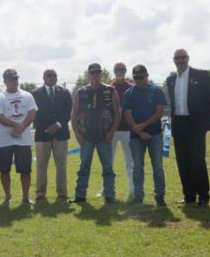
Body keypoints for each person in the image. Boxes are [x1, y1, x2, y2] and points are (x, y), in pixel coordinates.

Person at [165, 49, 210, 207]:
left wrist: (201, 118)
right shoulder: (171, 79)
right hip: (178, 124)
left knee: (197, 161)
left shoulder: (201, 75)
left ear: (188, 58)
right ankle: (189, 195)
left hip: (195, 125)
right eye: (177, 58)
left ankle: (203, 196)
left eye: (183, 57)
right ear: (174, 60)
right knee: (183, 162)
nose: (180, 60)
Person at [70, 63, 119, 204]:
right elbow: (74, 115)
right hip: (86, 137)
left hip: (105, 136)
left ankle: (110, 195)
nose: (96, 75)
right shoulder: (81, 92)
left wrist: (111, 132)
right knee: (84, 167)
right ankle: (80, 196)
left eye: (98, 73)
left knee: (108, 168)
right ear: (89, 75)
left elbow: (117, 113)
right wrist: (78, 134)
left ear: (101, 74)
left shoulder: (110, 91)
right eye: (93, 73)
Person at [122, 65, 167, 207]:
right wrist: (140, 132)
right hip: (136, 137)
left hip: (155, 135)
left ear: (147, 75)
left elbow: (159, 112)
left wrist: (142, 125)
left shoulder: (156, 90)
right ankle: (138, 196)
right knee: (137, 168)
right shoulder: (128, 93)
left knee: (158, 167)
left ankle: (159, 196)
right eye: (135, 77)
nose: (139, 80)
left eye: (141, 77)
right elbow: (127, 115)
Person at [0, 69, 37, 206]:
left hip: (23, 140)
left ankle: (25, 197)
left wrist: (21, 127)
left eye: (16, 79)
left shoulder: (27, 95)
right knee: (4, 170)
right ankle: (8, 197)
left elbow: (32, 114)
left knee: (25, 170)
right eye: (11, 79)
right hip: (5, 140)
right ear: (5, 81)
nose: (14, 82)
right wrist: (15, 126)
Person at [31, 69, 72, 200]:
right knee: (41, 165)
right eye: (49, 76)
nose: (52, 78)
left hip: (61, 134)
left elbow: (68, 112)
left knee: (61, 165)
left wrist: (58, 125)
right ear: (43, 77)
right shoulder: (35, 94)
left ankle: (62, 193)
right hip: (43, 135)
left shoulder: (65, 92)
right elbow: (34, 114)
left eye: (55, 75)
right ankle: (40, 193)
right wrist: (47, 128)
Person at [109, 62, 135, 199]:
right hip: (112, 130)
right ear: (114, 71)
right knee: (109, 161)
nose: (119, 71)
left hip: (127, 129)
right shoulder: (109, 88)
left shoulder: (131, 87)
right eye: (117, 69)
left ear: (125, 71)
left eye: (122, 69)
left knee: (130, 161)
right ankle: (106, 189)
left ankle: (132, 190)